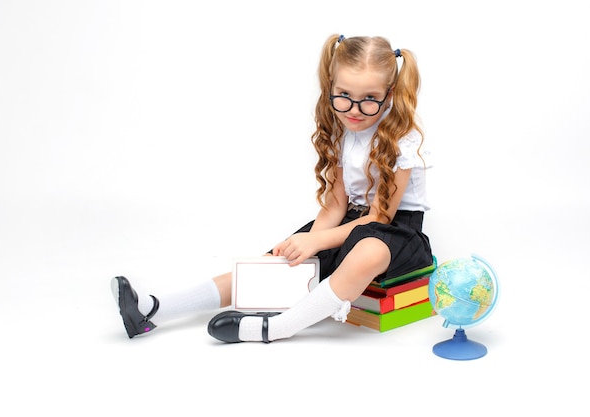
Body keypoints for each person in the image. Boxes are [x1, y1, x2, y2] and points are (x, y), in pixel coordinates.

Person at [111, 33, 434, 343]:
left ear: (389, 94)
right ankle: (154, 309)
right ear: (331, 87)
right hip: (348, 224)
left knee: (369, 250)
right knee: (278, 264)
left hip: (393, 232)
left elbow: (378, 217)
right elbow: (336, 206)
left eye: (369, 100)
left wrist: (319, 240)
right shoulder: (340, 131)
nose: (353, 109)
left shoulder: (402, 138)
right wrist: (308, 242)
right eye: (344, 96)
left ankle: (279, 327)